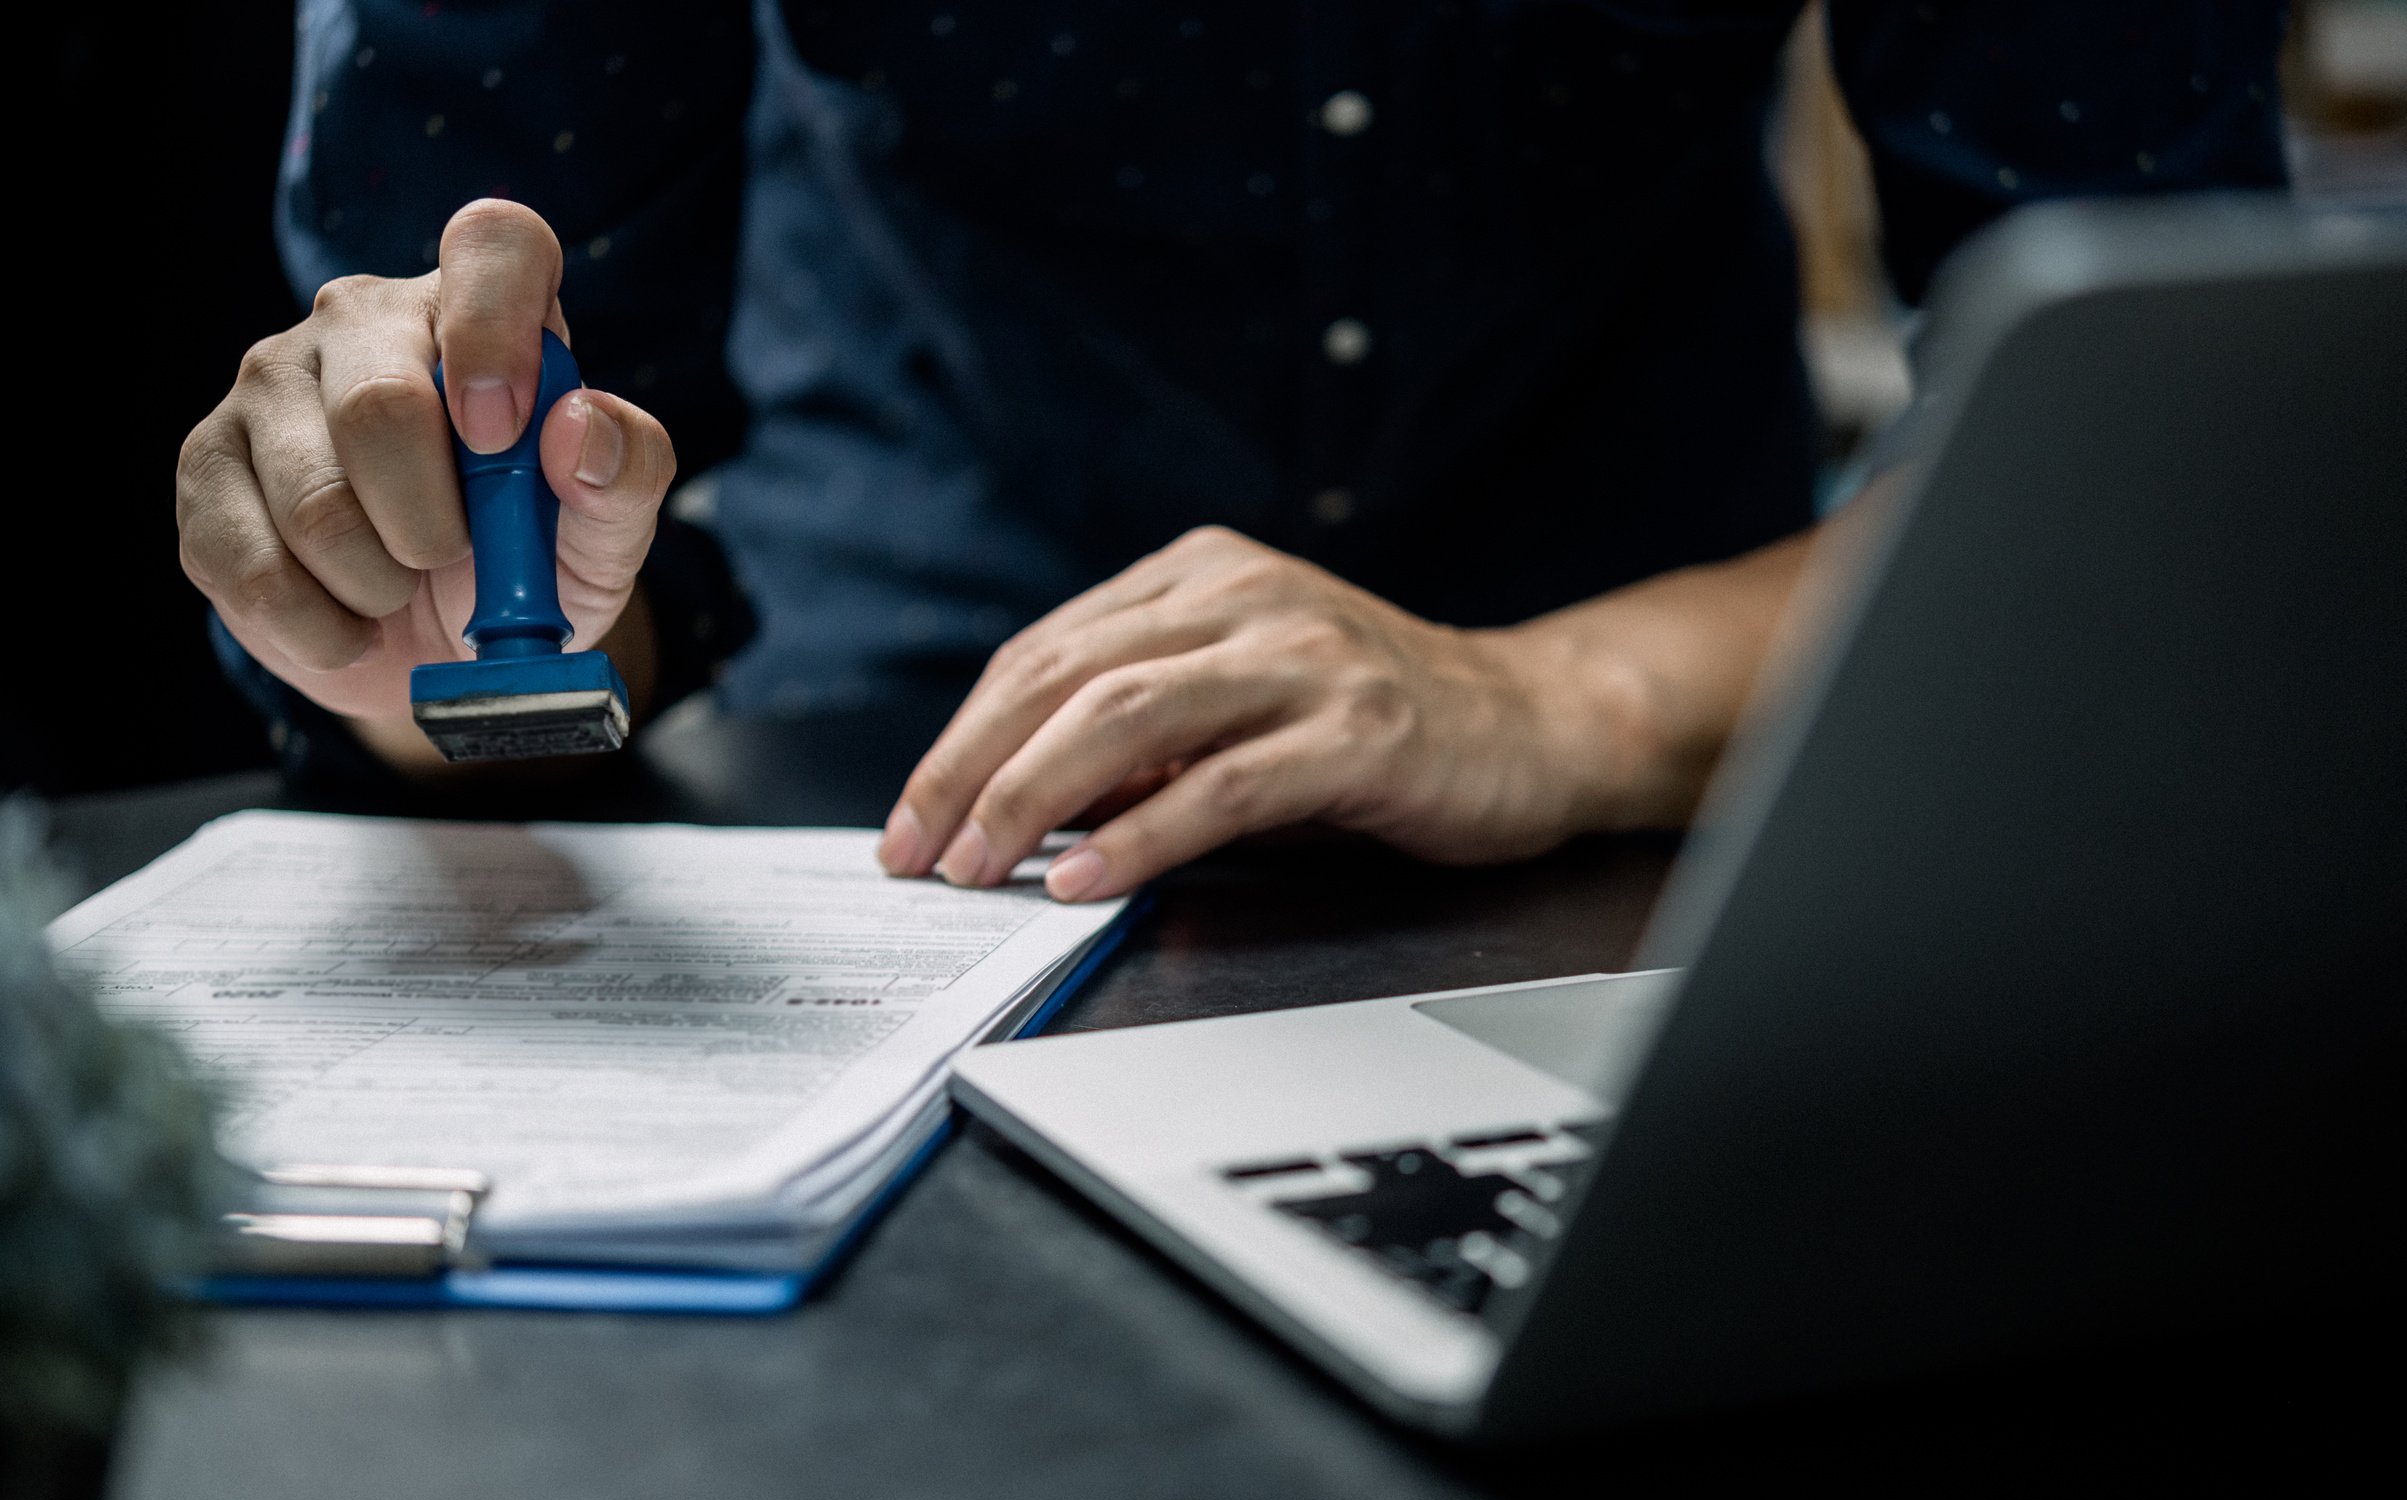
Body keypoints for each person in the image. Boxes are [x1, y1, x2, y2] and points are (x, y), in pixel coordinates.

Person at [175, 2, 2286, 903]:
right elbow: (517, 607)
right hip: (887, 817)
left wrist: (1569, 695)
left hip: (1696, 783)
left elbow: (2181, 448)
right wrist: (438, 672)